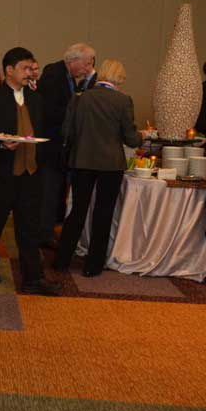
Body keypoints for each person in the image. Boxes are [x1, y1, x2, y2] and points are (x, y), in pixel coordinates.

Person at [0, 47, 60, 295]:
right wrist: (0, 144)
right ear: (9, 70)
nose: (30, 72)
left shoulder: (36, 99)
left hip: (30, 174)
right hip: (0, 174)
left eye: (31, 68)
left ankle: (33, 278)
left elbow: (42, 131)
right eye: (25, 68)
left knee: (29, 227)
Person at [52, 60, 145, 277]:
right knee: (103, 214)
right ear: (119, 78)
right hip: (111, 165)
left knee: (77, 212)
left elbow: (67, 132)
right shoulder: (123, 101)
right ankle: (93, 266)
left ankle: (61, 260)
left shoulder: (80, 98)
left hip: (82, 161)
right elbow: (131, 139)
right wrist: (142, 136)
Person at [37, 43, 97, 249]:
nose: (88, 69)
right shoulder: (54, 76)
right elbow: (49, 111)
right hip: (51, 146)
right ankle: (44, 233)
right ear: (74, 60)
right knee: (49, 191)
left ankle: (49, 229)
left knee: (55, 191)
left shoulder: (69, 77)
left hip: (59, 147)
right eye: (86, 64)